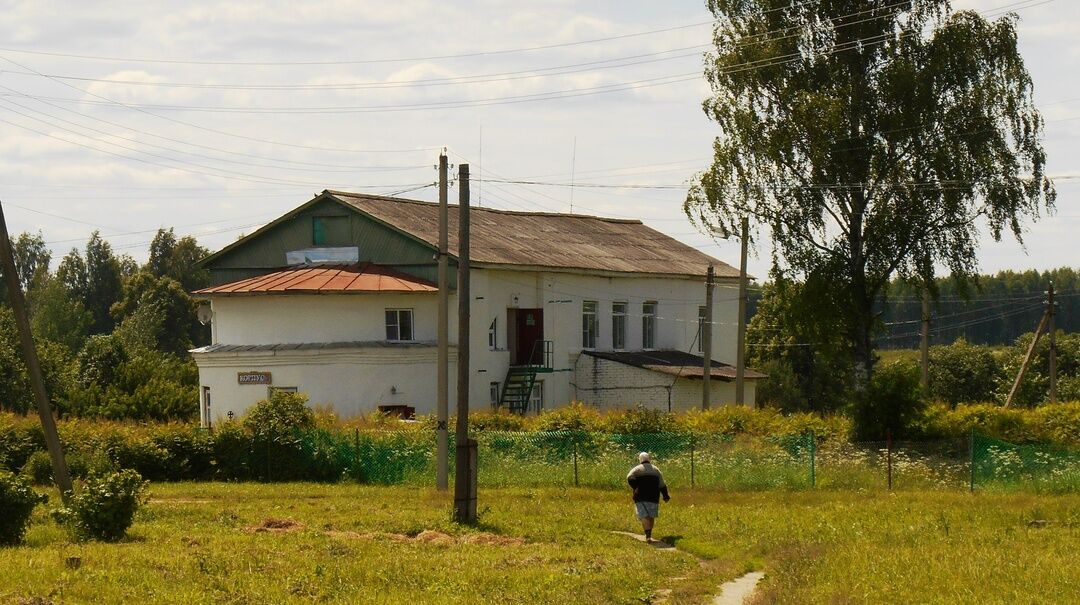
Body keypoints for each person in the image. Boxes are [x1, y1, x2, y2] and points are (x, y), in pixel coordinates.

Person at [626, 451, 669, 543]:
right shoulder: (656, 470)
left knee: (644, 515)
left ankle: (647, 535)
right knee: (651, 515)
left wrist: (636, 487)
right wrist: (665, 496)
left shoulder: (637, 469)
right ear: (649, 459)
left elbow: (629, 477)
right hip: (654, 496)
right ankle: (649, 534)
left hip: (640, 496)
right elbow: (662, 484)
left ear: (640, 459)